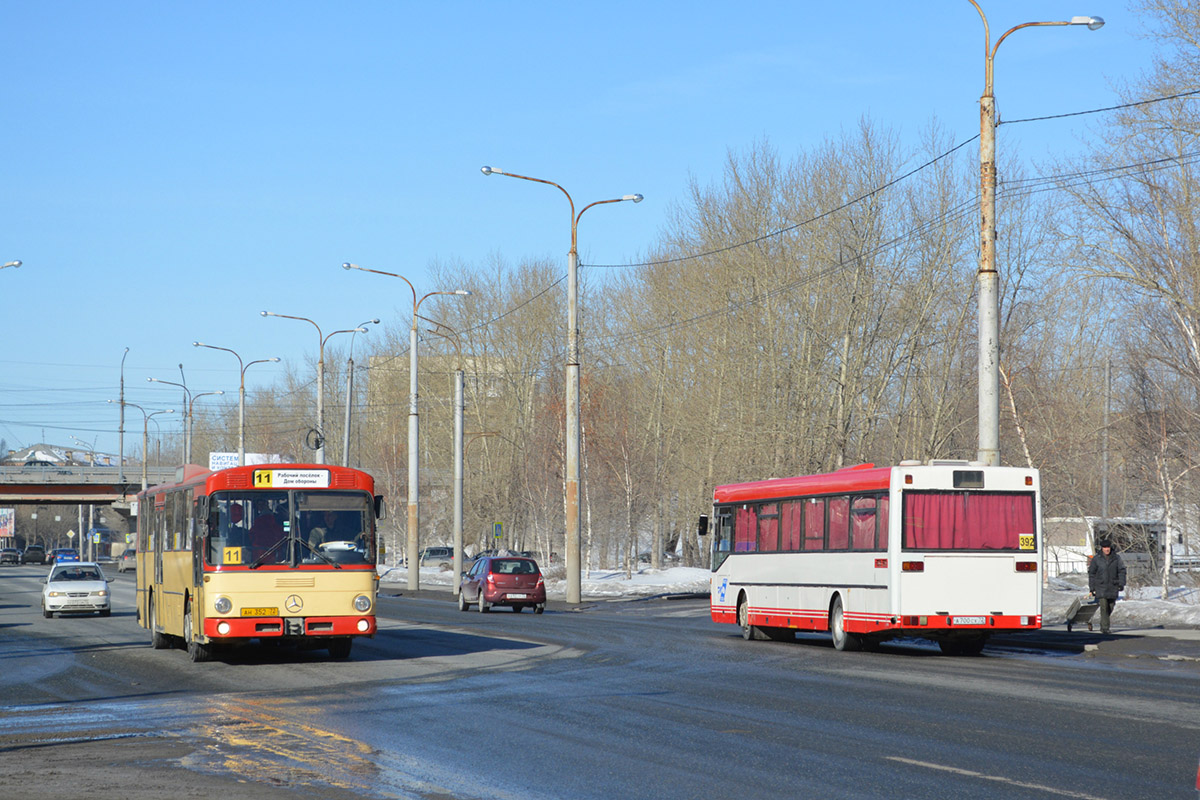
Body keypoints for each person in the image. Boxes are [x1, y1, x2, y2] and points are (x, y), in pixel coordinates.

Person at [1088, 538, 1127, 634]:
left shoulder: (1116, 558)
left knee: (1111, 606)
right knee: (1104, 607)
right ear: (1101, 548)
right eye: (1105, 547)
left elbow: (1122, 571)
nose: (1107, 549)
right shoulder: (1096, 559)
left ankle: (1103, 622)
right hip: (1100, 587)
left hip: (1113, 586)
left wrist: (1121, 583)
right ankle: (1105, 628)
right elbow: (1091, 574)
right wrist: (1092, 588)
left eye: (1108, 547)